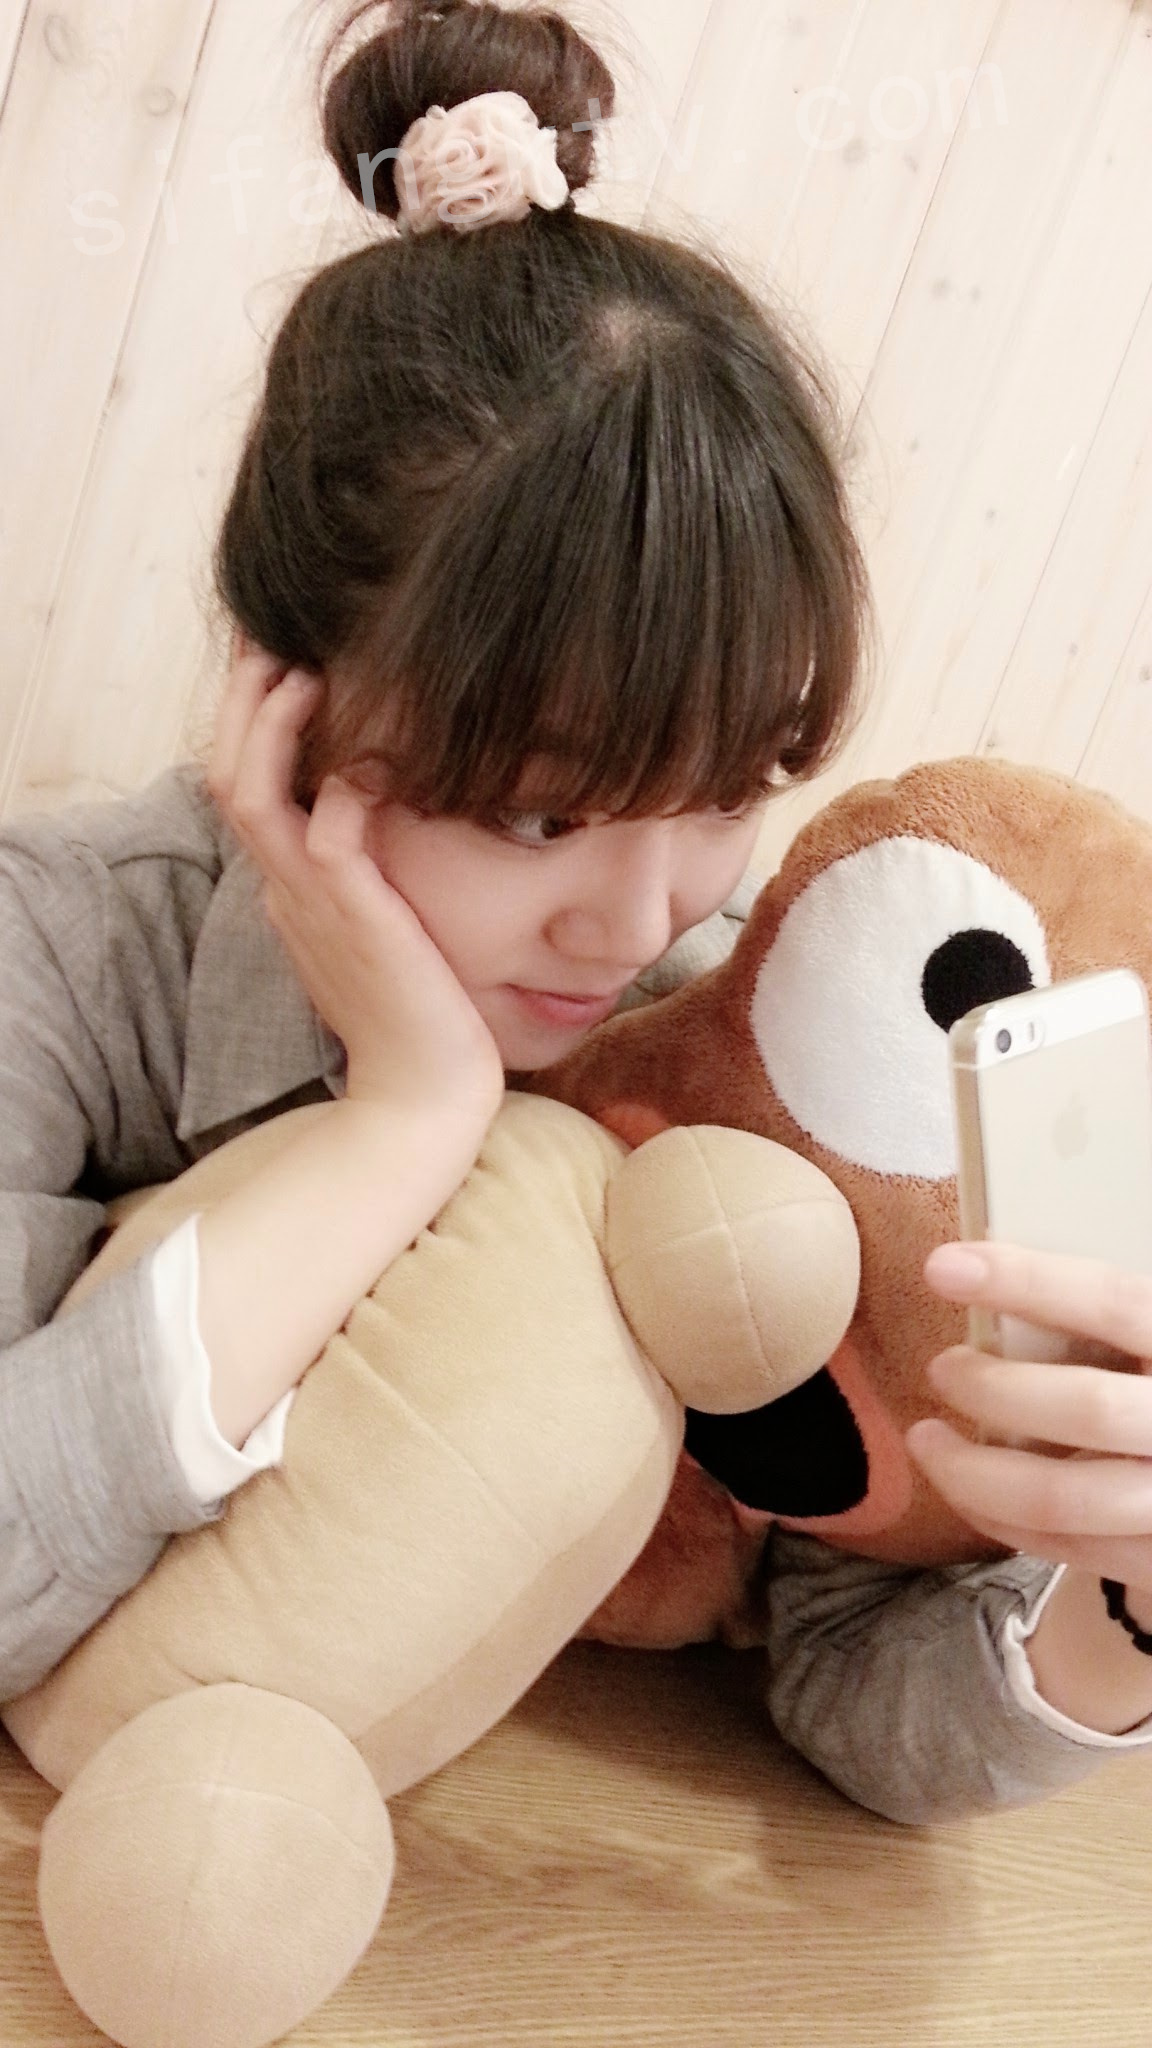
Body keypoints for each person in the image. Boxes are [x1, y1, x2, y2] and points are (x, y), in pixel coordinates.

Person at [2, 0, 1152, 1825]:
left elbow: (853, 1656)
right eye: (541, 812)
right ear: (286, 704)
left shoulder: (722, 1016)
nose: (636, 922)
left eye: (734, 784)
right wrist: (409, 1117)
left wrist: (1125, 1601)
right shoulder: (67, 957)